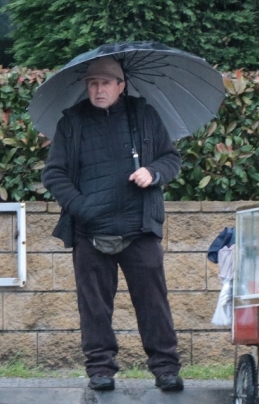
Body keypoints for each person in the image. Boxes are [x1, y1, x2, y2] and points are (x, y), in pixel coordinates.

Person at [41, 57, 183, 392]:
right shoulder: (72, 122)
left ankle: (165, 368)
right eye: (92, 83)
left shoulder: (144, 116)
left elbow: (171, 158)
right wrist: (81, 208)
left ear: (121, 86)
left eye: (106, 83)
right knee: (94, 307)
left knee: (153, 302)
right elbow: (54, 173)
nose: (98, 89)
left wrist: (154, 172)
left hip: (140, 227)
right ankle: (100, 370)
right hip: (89, 231)